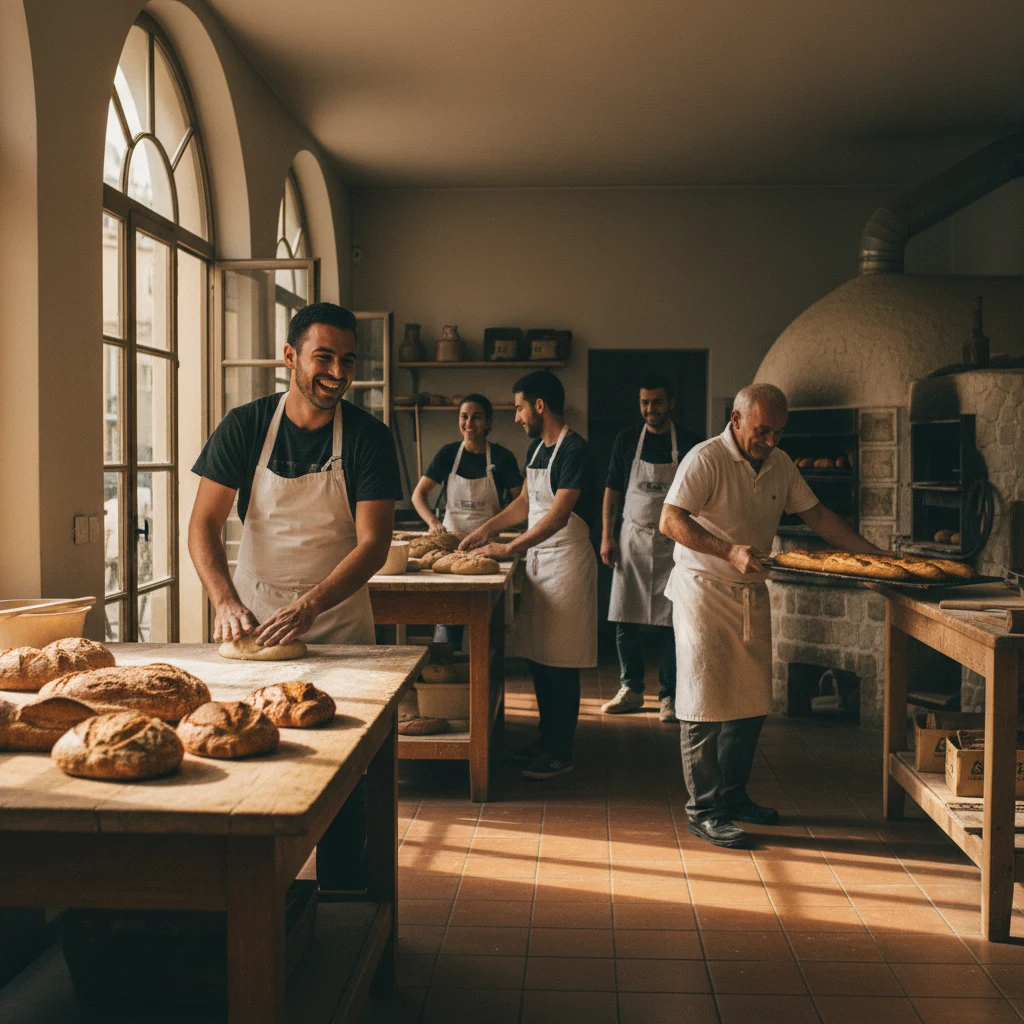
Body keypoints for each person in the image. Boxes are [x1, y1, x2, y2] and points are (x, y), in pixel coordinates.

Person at [188, 301, 402, 884]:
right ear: (290, 356)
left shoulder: (369, 437)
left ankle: (342, 893)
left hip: (339, 627)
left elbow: (373, 545)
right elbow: (203, 524)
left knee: (344, 766)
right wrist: (224, 600)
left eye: (347, 360)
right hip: (254, 628)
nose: (337, 372)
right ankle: (256, 889)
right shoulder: (246, 426)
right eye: (323, 357)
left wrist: (312, 604)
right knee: (248, 754)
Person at [659, 383, 882, 849]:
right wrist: (729, 551)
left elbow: (819, 517)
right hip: (703, 590)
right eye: (762, 431)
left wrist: (873, 558)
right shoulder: (705, 459)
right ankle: (704, 811)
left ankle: (733, 796)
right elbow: (670, 521)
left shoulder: (779, 464)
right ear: (736, 419)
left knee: (751, 702)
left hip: (750, 591)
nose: (771, 441)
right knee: (703, 703)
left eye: (779, 432)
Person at [461, 371, 598, 780]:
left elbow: (557, 516)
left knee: (562, 661)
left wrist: (509, 548)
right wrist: (488, 528)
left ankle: (561, 752)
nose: (516, 417)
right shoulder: (537, 448)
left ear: (539, 406)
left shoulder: (575, 450)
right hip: (540, 562)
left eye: (520, 408)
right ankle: (545, 738)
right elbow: (525, 502)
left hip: (567, 563)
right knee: (539, 657)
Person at [600, 375, 702, 723]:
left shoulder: (689, 442)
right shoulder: (627, 440)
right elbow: (612, 489)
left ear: (671, 403)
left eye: (657, 402)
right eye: (644, 402)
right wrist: (606, 535)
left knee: (672, 619)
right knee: (624, 615)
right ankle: (631, 688)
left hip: (674, 544)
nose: (650, 409)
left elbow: (699, 495)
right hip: (631, 539)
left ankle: (669, 695)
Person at [410, 394, 523, 650]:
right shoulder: (448, 454)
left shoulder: (502, 458)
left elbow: (520, 503)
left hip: (487, 551)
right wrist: (433, 522)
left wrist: (497, 528)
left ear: (488, 422)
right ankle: (448, 665)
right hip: (451, 550)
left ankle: (485, 668)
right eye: (464, 416)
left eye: (476, 417)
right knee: (449, 617)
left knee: (489, 623)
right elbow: (418, 495)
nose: (469, 423)